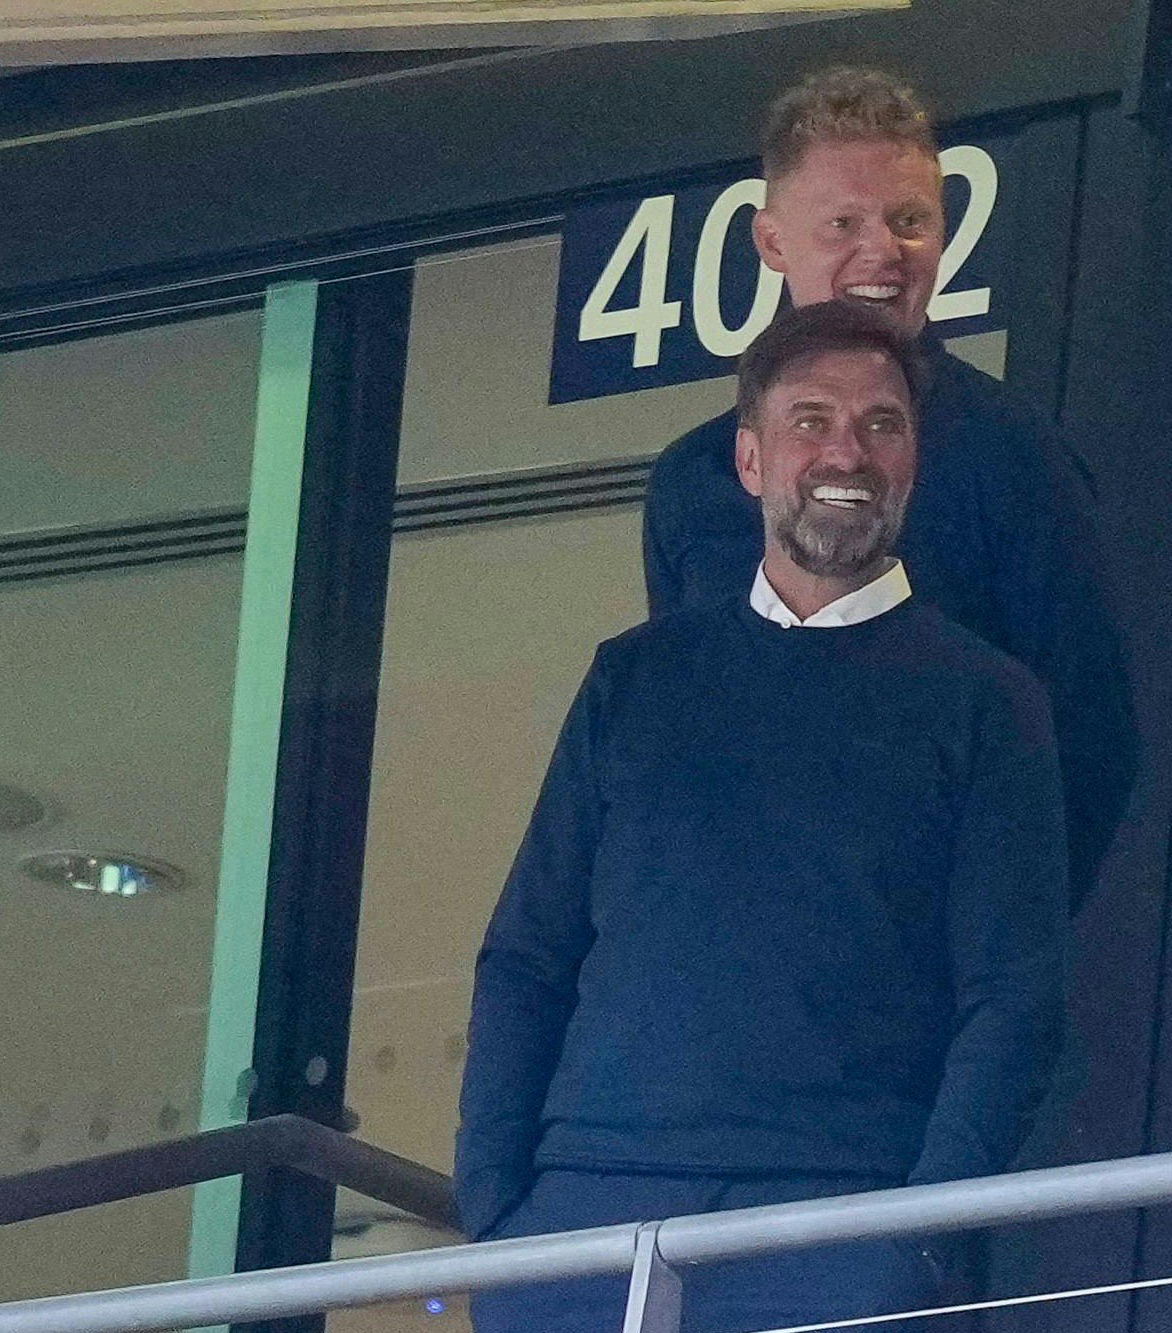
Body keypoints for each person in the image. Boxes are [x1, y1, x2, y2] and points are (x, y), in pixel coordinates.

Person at [457, 302, 1070, 1333]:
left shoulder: (989, 702)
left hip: (838, 1221)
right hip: (582, 1219)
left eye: (882, 424)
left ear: (913, 462)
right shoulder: (635, 678)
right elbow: (527, 953)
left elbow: (1014, 998)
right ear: (750, 459)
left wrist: (916, 1238)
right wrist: (494, 1216)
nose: (848, 452)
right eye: (810, 420)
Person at [642, 66, 1132, 911]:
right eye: (844, 223)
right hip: (728, 960)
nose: (883, 252)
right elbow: (676, 740)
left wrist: (991, 946)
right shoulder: (691, 481)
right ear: (771, 241)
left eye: (910, 221)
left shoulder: (1018, 460)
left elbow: (1093, 743)